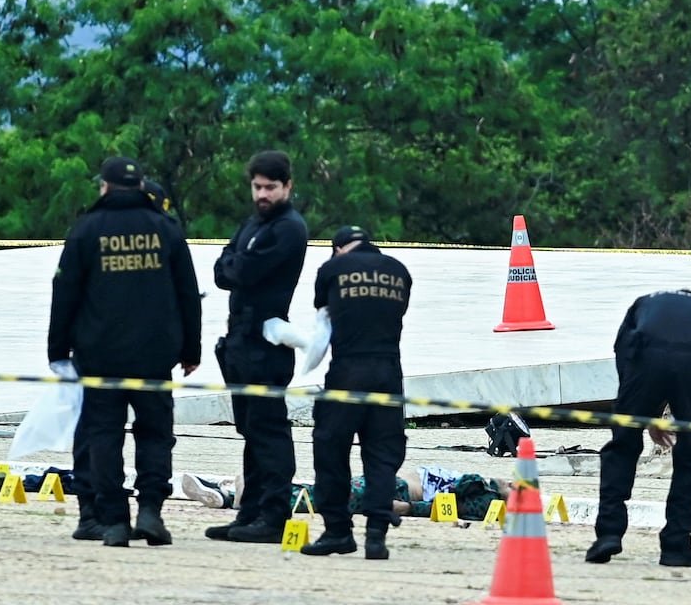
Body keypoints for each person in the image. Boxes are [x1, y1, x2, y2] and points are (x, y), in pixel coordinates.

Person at [46, 156, 202, 547]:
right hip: (154, 355)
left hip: (100, 355)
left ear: (105, 187)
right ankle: (150, 511)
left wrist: (57, 348)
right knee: (154, 434)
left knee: (103, 435)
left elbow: (65, 292)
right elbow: (187, 291)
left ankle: (114, 520)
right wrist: (191, 348)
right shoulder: (166, 228)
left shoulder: (87, 229)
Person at [207, 150, 309, 543]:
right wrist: (234, 264)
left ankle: (273, 515)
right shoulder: (254, 223)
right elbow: (222, 270)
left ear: (287, 186)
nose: (262, 194)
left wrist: (235, 264)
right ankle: (249, 513)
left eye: (270, 187)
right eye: (257, 186)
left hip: (266, 344)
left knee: (269, 431)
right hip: (239, 341)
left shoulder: (288, 228)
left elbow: (242, 271)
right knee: (250, 430)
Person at [586, 289, 691, 568]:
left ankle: (608, 534)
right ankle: (676, 544)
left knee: (622, 447)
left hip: (644, 357)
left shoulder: (643, 304)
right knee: (690, 458)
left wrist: (640, 413)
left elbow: (622, 351)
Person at [302, 225, 412, 560]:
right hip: (389, 372)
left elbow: (322, 310)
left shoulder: (332, 268)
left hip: (348, 370)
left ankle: (337, 531)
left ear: (338, 249)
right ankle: (376, 537)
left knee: (331, 449)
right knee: (381, 454)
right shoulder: (400, 272)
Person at [182, 466, 510, 521]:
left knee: (325, 496)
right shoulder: (491, 494)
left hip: (390, 490)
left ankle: (245, 495)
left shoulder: (486, 497)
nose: (511, 480)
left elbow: (444, 504)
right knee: (322, 493)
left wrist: (402, 508)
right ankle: (227, 495)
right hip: (387, 484)